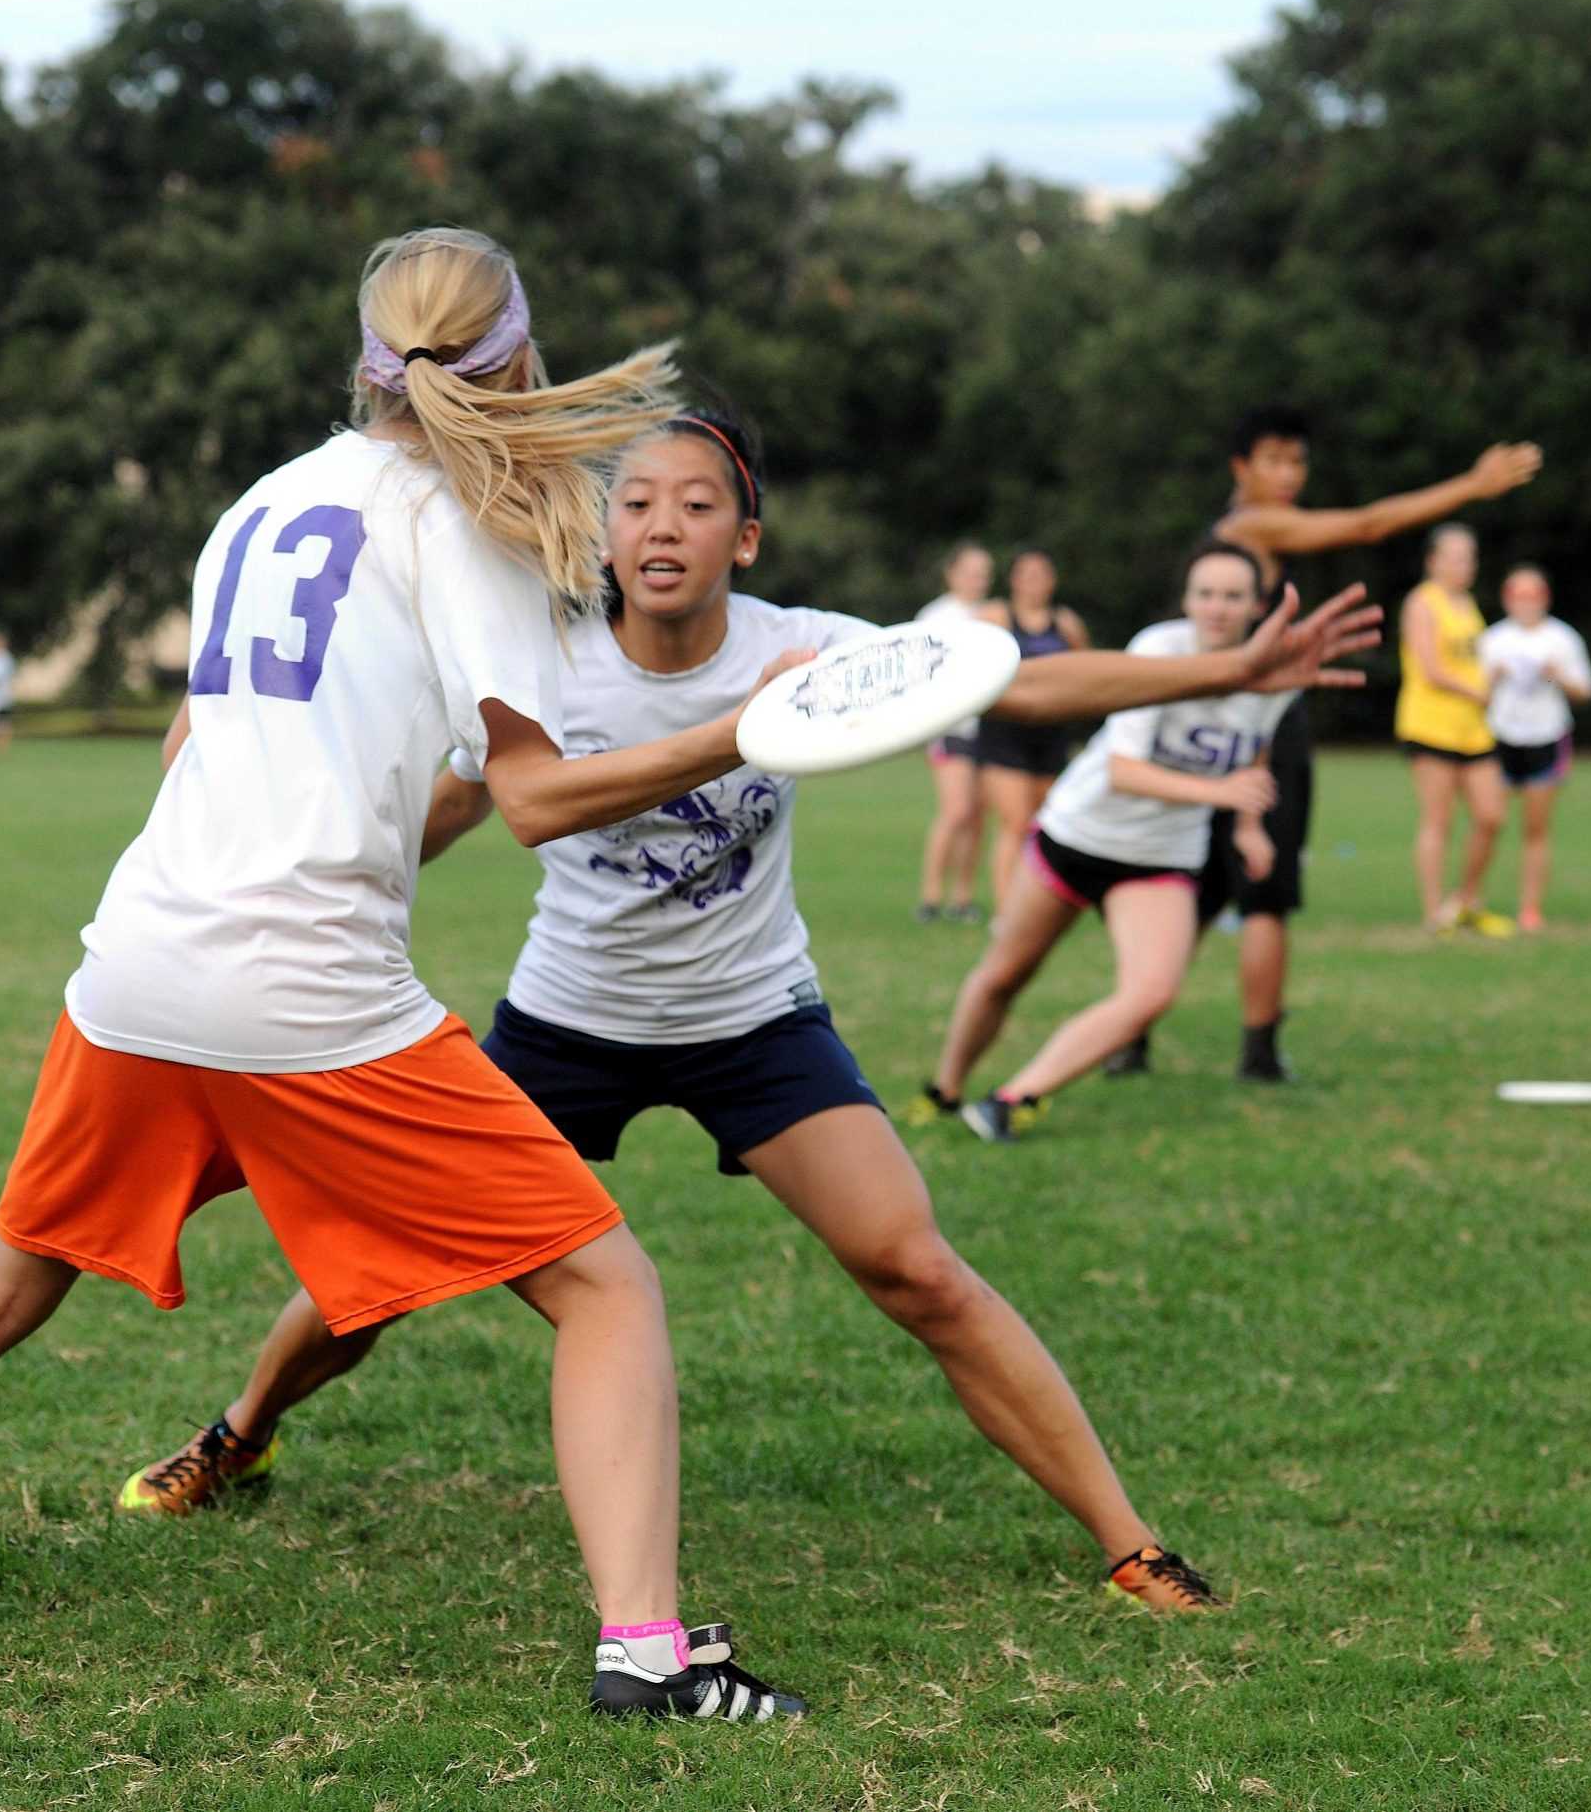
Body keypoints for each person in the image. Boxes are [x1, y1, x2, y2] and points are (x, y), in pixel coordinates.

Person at [0, 227, 814, 1724]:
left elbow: (191, 744)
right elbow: (532, 798)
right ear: (517, 358)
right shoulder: (458, 529)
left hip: (141, 957)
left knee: (8, 1276)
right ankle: (649, 1657)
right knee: (607, 1286)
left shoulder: (263, 501)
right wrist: (747, 728)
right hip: (306, 988)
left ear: (366, 357)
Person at [114, 414, 1383, 1620]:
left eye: (697, 504)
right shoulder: (540, 660)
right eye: (635, 503)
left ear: (747, 537)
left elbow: (1017, 688)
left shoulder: (806, 644)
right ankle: (239, 1435)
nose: (661, 526)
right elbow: (439, 810)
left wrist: (1227, 665)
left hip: (753, 1019)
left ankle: (1128, 1541)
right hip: (567, 1023)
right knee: (379, 1272)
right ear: (602, 534)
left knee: (918, 1268)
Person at [1110, 408, 1545, 1081]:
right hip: (1257, 717)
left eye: (1298, 462)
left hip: (1214, 712)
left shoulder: (1234, 533)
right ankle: (1254, 1054)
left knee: (1200, 886)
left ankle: (1133, 1036)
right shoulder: (1250, 526)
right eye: (1274, 460)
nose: (1289, 475)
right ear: (1240, 468)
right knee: (1263, 891)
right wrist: (1470, 486)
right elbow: (1367, 524)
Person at [924, 542, 1299, 1141]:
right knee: (1004, 975)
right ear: (1186, 600)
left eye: (1233, 596)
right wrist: (1221, 796)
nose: (1218, 608)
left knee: (1151, 994)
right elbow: (1125, 769)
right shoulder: (1158, 649)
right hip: (1079, 834)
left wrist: (1250, 824)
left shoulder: (1275, 676)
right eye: (1205, 593)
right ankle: (943, 1090)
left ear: (1257, 604)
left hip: (1160, 857)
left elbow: (1251, 750)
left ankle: (1011, 1099)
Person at [1396, 524, 1515, 936]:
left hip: (1473, 729)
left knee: (1491, 815)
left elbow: (1469, 662)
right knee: (1438, 820)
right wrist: (1477, 690)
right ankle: (1434, 913)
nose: (1465, 565)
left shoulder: (1466, 605)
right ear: (1433, 561)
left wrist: (1491, 679)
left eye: (1470, 557)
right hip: (1431, 726)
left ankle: (1465, 902)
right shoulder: (1422, 603)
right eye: (1455, 556)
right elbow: (1430, 668)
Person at [1477, 566, 1591, 931]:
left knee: (1535, 829)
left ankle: (1530, 908)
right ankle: (1470, 897)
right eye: (1518, 596)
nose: (1526, 604)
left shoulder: (1562, 638)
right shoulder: (1493, 639)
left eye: (1533, 596)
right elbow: (1473, 695)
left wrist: (1556, 676)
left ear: (1545, 598)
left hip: (1546, 737)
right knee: (1488, 821)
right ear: (1507, 599)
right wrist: (1492, 679)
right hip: (1499, 737)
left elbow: (1586, 691)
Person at [971, 551, 1090, 912]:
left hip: (1051, 732)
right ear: (1015, 581)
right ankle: (1006, 912)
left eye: (1042, 575)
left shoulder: (1065, 623)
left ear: (1052, 581)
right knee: (1015, 821)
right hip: (1005, 733)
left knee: (1043, 823)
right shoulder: (995, 617)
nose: (1035, 582)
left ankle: (1035, 904)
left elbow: (1086, 669)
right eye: (1027, 575)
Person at [914, 542, 995, 923]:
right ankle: (930, 897)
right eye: (972, 571)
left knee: (978, 817)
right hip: (951, 728)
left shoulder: (993, 615)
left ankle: (963, 898)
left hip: (991, 729)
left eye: (984, 573)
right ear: (952, 573)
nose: (979, 579)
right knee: (956, 811)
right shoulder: (936, 617)